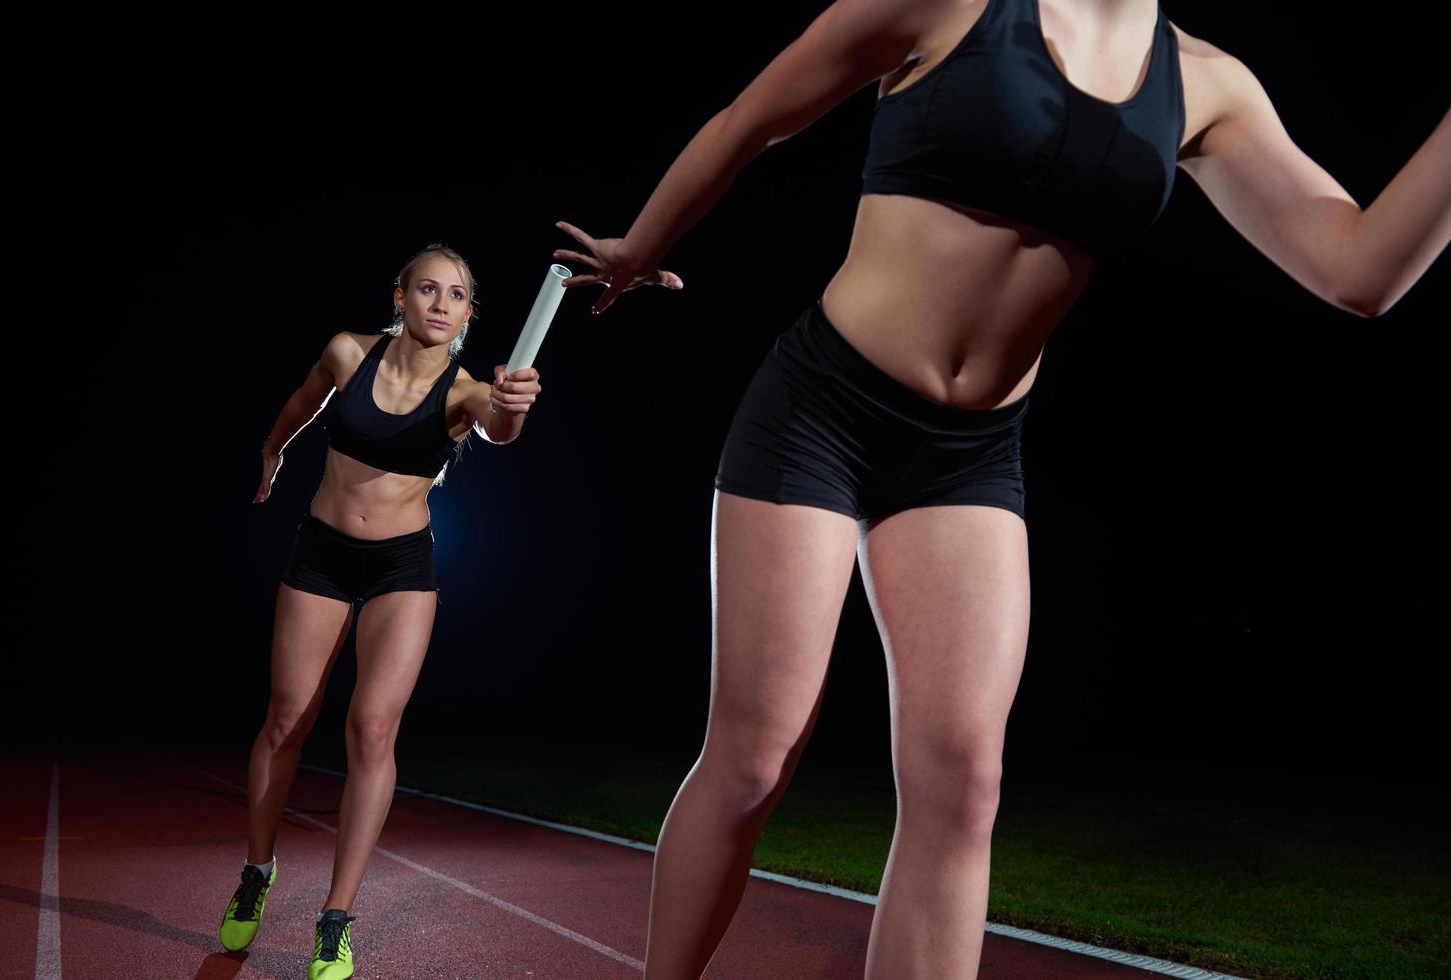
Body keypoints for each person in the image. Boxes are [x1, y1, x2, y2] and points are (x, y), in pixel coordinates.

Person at [552, 0, 1451, 975]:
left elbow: (1358, 269)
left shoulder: (1203, 83)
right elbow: (749, 118)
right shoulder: (950, 6)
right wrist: (640, 245)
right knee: (754, 755)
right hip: (823, 409)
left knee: (961, 783)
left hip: (969, 450)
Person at [216, 244, 543, 980]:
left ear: (466, 315)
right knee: (288, 718)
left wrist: (514, 409)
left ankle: (335, 919)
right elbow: (303, 400)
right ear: (398, 297)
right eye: (426, 288)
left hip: (402, 568)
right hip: (320, 555)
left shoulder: (466, 392)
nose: (439, 302)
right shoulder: (346, 352)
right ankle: (256, 871)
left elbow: (498, 426)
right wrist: (273, 449)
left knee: (371, 730)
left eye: (455, 295)